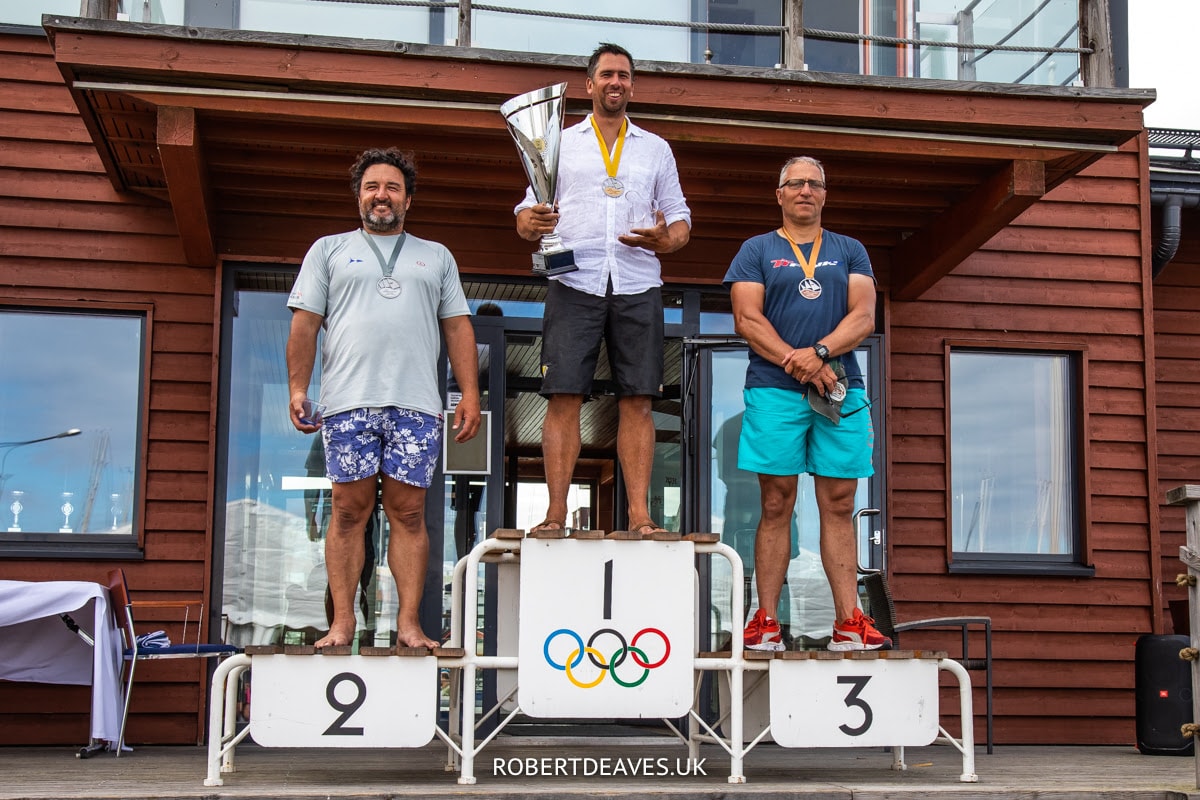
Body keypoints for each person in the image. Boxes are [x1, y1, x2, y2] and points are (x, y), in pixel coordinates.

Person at [287, 147, 481, 649]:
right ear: (359, 196)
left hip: (415, 404)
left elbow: (458, 327)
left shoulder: (435, 256)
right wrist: (298, 388)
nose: (382, 195)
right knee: (348, 510)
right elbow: (304, 325)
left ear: (407, 200)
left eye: (392, 187)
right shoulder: (328, 250)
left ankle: (409, 625)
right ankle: (342, 624)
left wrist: (469, 393)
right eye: (372, 186)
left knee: (409, 514)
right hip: (348, 402)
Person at [515, 42, 691, 537]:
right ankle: (554, 514)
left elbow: (680, 220)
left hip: (637, 282)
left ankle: (639, 516)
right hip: (575, 279)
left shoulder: (655, 148)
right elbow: (527, 213)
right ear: (589, 84)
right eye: (608, 74)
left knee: (639, 399)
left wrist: (667, 240)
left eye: (625, 75)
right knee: (562, 395)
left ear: (632, 85)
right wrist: (531, 222)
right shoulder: (559, 143)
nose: (617, 82)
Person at [723, 156, 889, 652]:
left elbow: (864, 316)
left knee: (839, 503)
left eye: (814, 184)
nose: (805, 191)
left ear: (824, 195)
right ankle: (766, 621)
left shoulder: (850, 250)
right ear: (779, 194)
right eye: (795, 183)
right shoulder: (756, 249)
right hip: (774, 390)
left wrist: (819, 354)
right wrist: (802, 364)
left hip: (840, 389)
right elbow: (746, 319)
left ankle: (848, 622)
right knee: (777, 502)